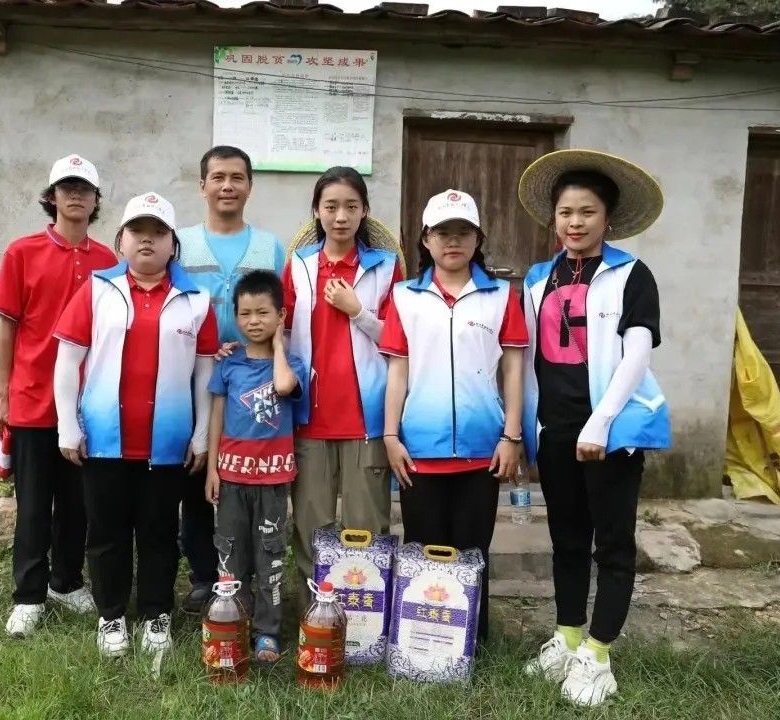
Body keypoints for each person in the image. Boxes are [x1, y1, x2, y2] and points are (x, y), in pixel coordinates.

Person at [516, 150, 670, 706]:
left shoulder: (632, 275)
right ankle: (568, 637)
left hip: (611, 433)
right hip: (555, 430)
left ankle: (599, 654)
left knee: (613, 542)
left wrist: (601, 421)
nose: (575, 222)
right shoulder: (538, 278)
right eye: (565, 212)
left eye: (587, 212)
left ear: (608, 219)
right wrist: (529, 429)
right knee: (567, 539)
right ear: (553, 219)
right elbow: (528, 357)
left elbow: (637, 353)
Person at [52, 192, 219, 658]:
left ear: (173, 244)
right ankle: (111, 616)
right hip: (104, 439)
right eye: (137, 231)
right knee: (106, 533)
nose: (147, 240)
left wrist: (201, 435)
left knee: (159, 533)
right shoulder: (96, 290)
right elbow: (68, 361)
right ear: (120, 241)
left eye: (159, 232)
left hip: (167, 442)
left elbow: (205, 374)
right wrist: (67, 426)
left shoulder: (196, 300)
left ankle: (156, 614)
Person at [379, 189, 527, 645]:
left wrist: (512, 436)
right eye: (442, 232)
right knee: (423, 550)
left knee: (472, 552)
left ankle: (470, 645)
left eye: (463, 232)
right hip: (419, 449)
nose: (453, 241)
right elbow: (398, 370)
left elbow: (513, 368)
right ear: (426, 239)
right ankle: (422, 645)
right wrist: (390, 436)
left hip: (483, 449)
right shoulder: (404, 297)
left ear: (478, 238)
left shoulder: (500, 296)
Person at [0, 154, 117, 638]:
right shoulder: (22, 252)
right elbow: (5, 327)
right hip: (33, 399)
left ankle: (66, 581)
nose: (76, 195)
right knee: (35, 505)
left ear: (96, 200)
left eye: (85, 189)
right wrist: (0, 394)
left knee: (78, 504)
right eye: (67, 188)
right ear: (52, 197)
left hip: (89, 405)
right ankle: (29, 595)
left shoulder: (109, 262)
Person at [281, 166, 405, 612]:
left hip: (366, 419)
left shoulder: (385, 268)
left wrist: (358, 312)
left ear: (365, 211)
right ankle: (314, 620)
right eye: (331, 206)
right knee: (311, 529)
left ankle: (363, 625)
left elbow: (398, 339)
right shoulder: (299, 266)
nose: (340, 216)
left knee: (366, 528)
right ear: (316, 211)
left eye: (351, 206)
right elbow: (280, 331)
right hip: (309, 418)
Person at [176, 145, 287, 613]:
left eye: (237, 177)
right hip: (190, 376)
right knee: (198, 474)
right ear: (202, 186)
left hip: (252, 382)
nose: (227, 186)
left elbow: (282, 312)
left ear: (249, 187)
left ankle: (258, 577)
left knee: (248, 481)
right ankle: (206, 576)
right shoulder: (181, 244)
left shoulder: (269, 247)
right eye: (218, 177)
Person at [204, 270, 308, 665]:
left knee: (270, 559)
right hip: (231, 479)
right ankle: (234, 623)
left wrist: (278, 346)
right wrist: (212, 469)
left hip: (272, 482)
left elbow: (283, 388)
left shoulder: (292, 364)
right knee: (231, 556)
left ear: (280, 316)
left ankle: (267, 632)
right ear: (235, 317)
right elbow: (216, 416)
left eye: (263, 313)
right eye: (245, 313)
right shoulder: (228, 365)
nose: (253, 321)